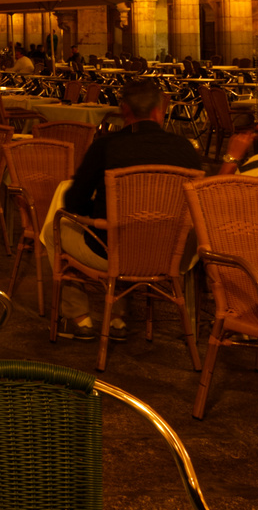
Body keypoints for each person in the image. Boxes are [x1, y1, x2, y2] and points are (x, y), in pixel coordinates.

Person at [59, 78, 202, 340]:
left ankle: (78, 317)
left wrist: (98, 211)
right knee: (122, 230)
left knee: (59, 227)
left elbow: (74, 202)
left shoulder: (106, 146)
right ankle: (117, 317)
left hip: (114, 250)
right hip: (171, 251)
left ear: (124, 110)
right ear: (159, 111)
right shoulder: (184, 149)